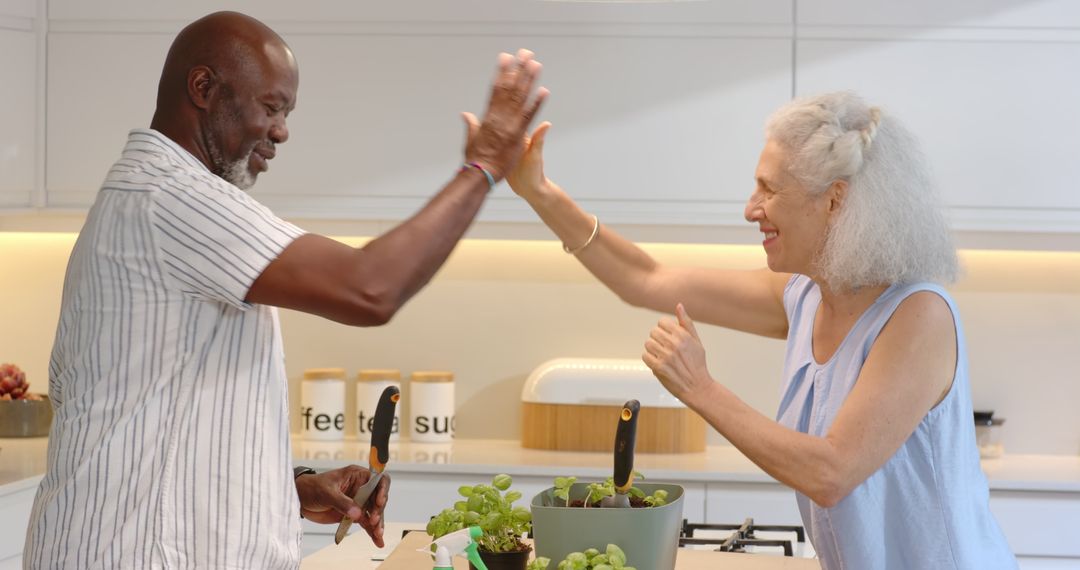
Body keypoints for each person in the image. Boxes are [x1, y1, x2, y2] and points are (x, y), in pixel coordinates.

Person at [24, 10, 547, 569]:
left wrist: (290, 486)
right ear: (203, 88)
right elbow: (370, 289)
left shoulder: (164, 197)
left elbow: (175, 414)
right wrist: (485, 165)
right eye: (271, 107)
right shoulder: (169, 198)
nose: (281, 131)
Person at [507, 92, 1017, 568]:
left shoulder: (918, 316)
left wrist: (699, 388)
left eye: (769, 189)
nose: (751, 208)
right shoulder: (805, 295)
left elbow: (831, 471)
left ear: (835, 201)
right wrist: (539, 192)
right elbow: (646, 280)